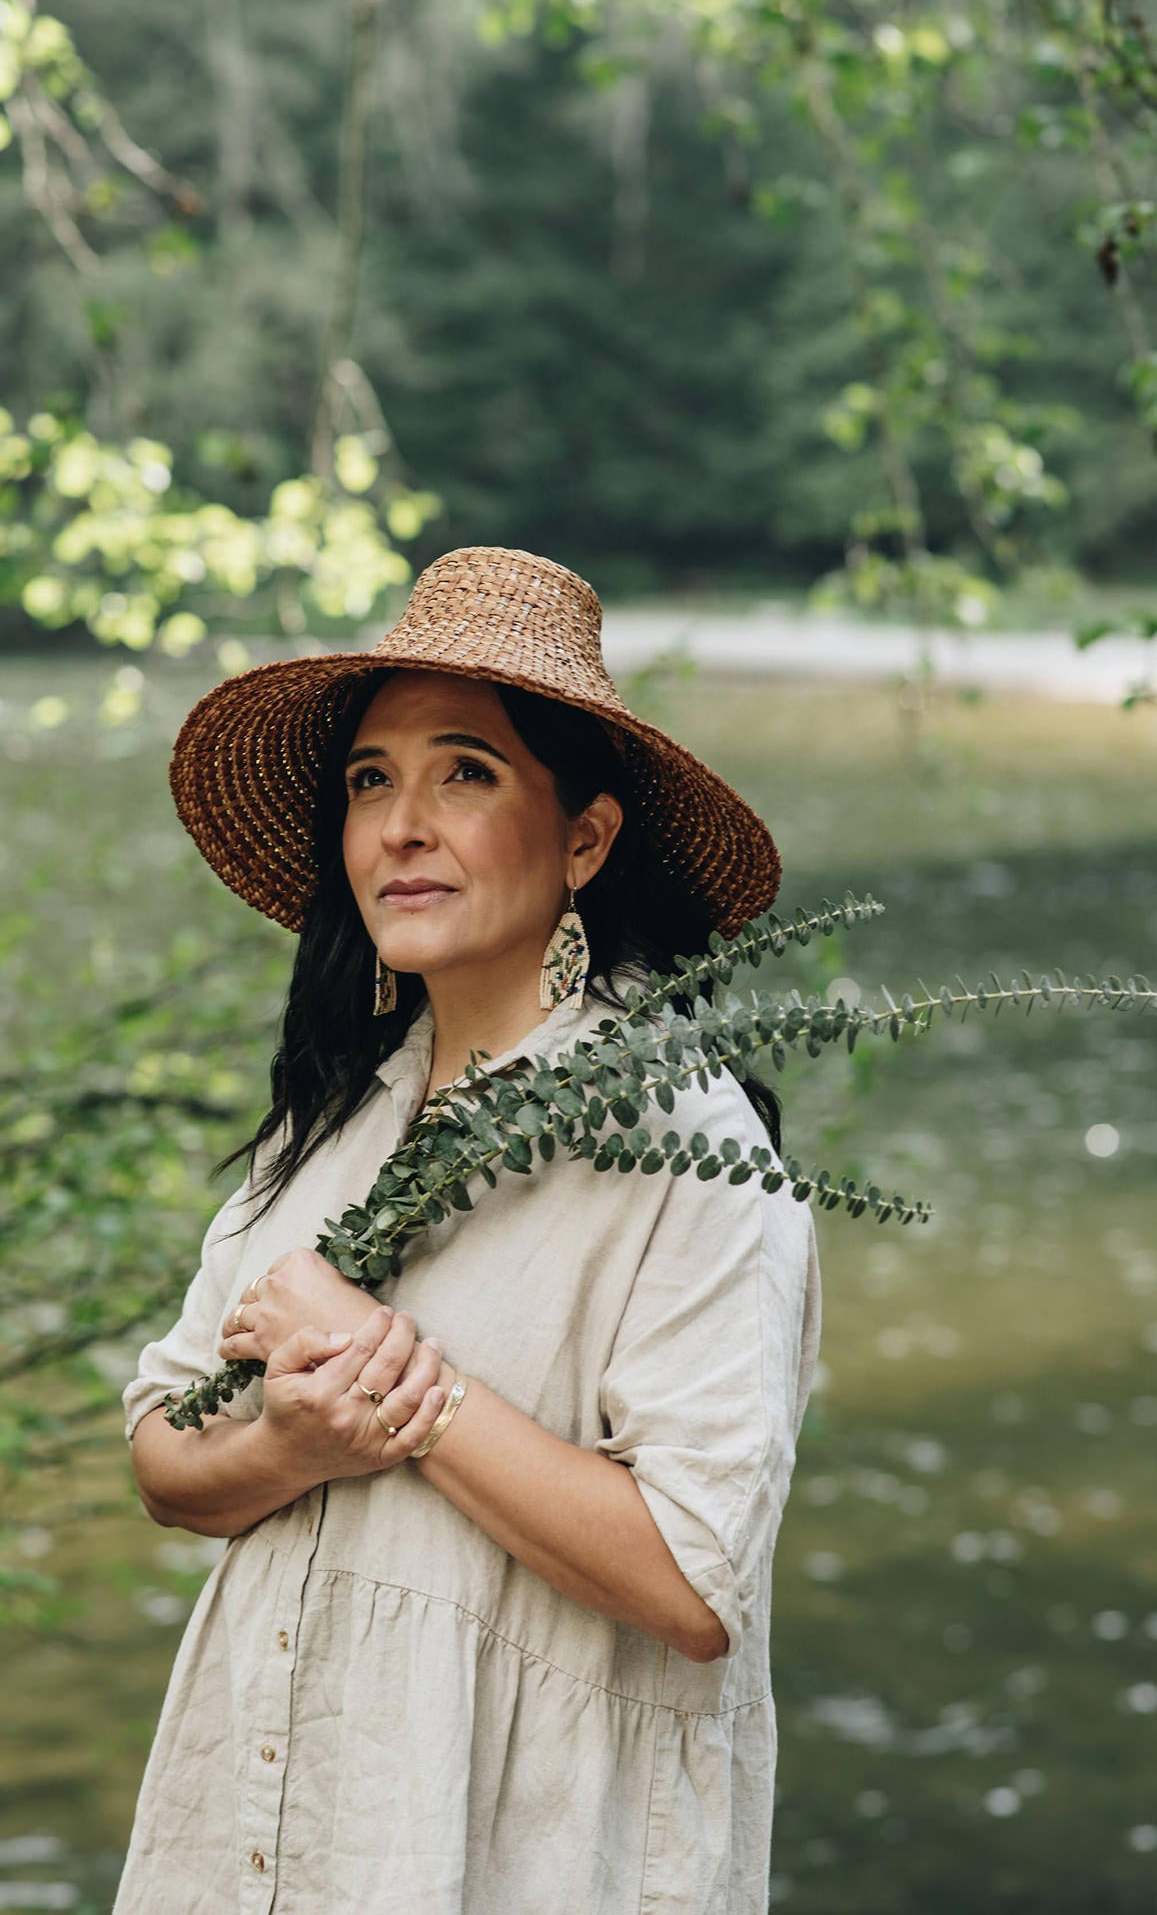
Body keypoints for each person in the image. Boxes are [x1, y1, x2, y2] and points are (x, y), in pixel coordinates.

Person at [114, 544, 822, 1915]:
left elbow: (690, 1584)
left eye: (466, 773)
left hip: (513, 1861)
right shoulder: (329, 1124)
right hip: (256, 1847)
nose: (399, 826)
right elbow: (160, 1450)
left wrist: (400, 1385)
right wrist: (284, 1442)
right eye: (370, 780)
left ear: (585, 839)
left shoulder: (684, 1145)